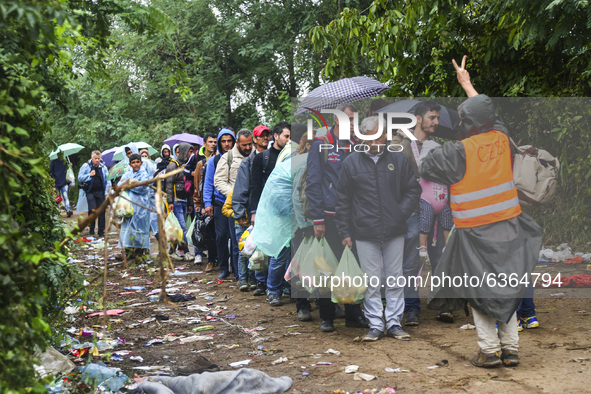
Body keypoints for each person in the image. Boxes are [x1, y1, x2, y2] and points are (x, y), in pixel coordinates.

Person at [420, 56, 542, 368]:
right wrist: (467, 84)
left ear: (469, 124)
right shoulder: (501, 139)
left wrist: (417, 137)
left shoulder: (459, 151)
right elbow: (490, 115)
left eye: (462, 118)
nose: (458, 122)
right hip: (510, 228)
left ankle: (489, 351)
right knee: (507, 285)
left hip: (474, 233)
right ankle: (511, 349)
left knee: (478, 291)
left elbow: (427, 165)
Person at [335, 116, 421, 341]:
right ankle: (375, 323)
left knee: (395, 278)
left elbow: (413, 190)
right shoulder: (351, 163)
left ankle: (393, 323)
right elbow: (342, 199)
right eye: (369, 138)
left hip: (394, 230)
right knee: (371, 280)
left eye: (378, 137)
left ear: (384, 135)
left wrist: (400, 213)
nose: (374, 143)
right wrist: (345, 231)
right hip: (364, 231)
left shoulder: (398, 160)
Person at [305, 103, 369, 332]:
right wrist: (318, 219)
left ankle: (353, 313)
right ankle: (327, 317)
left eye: (355, 121)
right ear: (337, 120)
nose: (353, 125)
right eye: (349, 120)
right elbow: (313, 183)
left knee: (354, 266)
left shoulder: (356, 145)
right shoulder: (321, 145)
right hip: (329, 217)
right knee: (327, 268)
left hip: (354, 216)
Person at [390, 100, 453, 326]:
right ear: (418, 119)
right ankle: (412, 308)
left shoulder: (437, 147)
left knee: (440, 258)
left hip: (437, 211)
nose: (436, 122)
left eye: (437, 118)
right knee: (411, 262)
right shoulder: (400, 142)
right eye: (431, 117)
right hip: (411, 211)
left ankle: (443, 304)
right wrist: (403, 140)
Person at [249, 122, 291, 297]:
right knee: (277, 252)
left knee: (290, 254)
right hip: (273, 211)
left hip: (292, 212)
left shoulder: (290, 154)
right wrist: (254, 212)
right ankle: (271, 289)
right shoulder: (264, 157)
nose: (290, 140)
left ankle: (285, 286)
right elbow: (256, 186)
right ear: (277, 136)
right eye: (286, 136)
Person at [231, 125, 269, 290]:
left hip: (268, 211)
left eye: (267, 136)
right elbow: (241, 189)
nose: (265, 139)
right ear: (255, 139)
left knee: (263, 247)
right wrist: (240, 212)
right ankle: (244, 280)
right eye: (262, 136)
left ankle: (258, 280)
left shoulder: (274, 158)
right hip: (249, 211)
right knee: (246, 247)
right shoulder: (247, 162)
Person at [214, 129, 253, 283]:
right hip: (235, 206)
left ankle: (253, 276)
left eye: (250, 144)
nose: (248, 147)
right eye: (245, 145)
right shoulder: (227, 157)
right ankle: (239, 276)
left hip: (253, 206)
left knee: (252, 242)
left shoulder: (255, 154)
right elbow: (218, 181)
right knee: (238, 244)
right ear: (238, 143)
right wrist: (235, 193)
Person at [203, 129, 236, 279]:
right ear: (219, 143)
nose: (227, 144)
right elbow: (208, 183)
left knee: (236, 238)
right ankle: (224, 268)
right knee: (221, 236)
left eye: (229, 141)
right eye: (223, 141)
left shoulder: (239, 158)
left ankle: (237, 269)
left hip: (236, 202)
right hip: (220, 202)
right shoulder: (214, 161)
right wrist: (207, 203)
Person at [118, 154, 151, 263]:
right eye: (133, 162)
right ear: (130, 164)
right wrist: (130, 184)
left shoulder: (145, 174)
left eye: (138, 162)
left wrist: (129, 185)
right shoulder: (127, 174)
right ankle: (128, 252)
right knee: (128, 229)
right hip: (129, 207)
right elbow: (120, 184)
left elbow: (142, 187)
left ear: (141, 163)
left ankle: (141, 252)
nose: (136, 164)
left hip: (141, 207)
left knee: (141, 229)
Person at [166, 143, 195, 261]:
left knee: (178, 228)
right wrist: (170, 201)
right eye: (189, 151)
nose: (190, 154)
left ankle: (172, 251)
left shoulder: (187, 166)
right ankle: (186, 251)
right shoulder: (173, 166)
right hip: (176, 201)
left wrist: (190, 203)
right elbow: (168, 184)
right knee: (182, 227)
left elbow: (188, 186)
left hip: (184, 200)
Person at [193, 133, 217, 265]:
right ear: (205, 143)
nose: (213, 144)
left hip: (216, 199)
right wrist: (198, 203)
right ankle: (200, 254)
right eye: (210, 142)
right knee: (202, 228)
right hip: (204, 201)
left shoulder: (220, 158)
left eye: (215, 141)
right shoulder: (200, 162)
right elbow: (197, 185)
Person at [78, 150, 110, 237]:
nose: (97, 160)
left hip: (101, 192)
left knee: (102, 211)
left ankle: (101, 231)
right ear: (92, 158)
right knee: (92, 210)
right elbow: (80, 178)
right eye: (95, 158)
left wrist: (107, 192)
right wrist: (89, 175)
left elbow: (108, 180)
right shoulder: (86, 166)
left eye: (98, 158)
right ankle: (91, 229)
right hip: (90, 191)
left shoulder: (103, 167)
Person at [50, 151, 73, 217]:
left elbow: (50, 172)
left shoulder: (63, 162)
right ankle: (60, 211)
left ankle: (67, 210)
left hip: (61, 183)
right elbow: (50, 172)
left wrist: (70, 166)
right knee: (58, 198)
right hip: (57, 183)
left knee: (62, 198)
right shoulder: (57, 162)